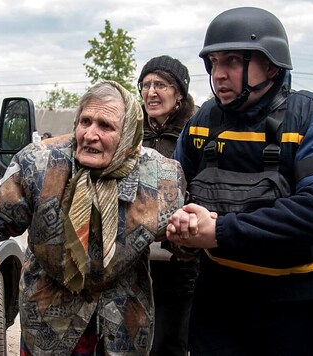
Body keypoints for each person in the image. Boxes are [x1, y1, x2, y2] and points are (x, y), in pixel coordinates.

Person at [166, 7, 313, 356]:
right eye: (214, 62)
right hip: (218, 298)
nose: (219, 74)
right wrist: (181, 222)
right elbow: (174, 191)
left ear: (271, 65)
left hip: (294, 303)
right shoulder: (202, 121)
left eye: (233, 61)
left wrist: (221, 230)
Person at [0, 81, 186, 355]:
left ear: (128, 135)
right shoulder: (39, 164)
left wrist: (187, 235)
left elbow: (182, 243)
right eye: (85, 121)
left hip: (122, 327)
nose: (90, 134)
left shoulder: (162, 177)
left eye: (105, 126)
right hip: (48, 324)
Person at [137, 55, 198, 356]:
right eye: (146, 85)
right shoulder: (131, 130)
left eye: (160, 84)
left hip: (180, 257)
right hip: (135, 255)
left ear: (179, 94)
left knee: (170, 341)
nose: (151, 92)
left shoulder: (195, 131)